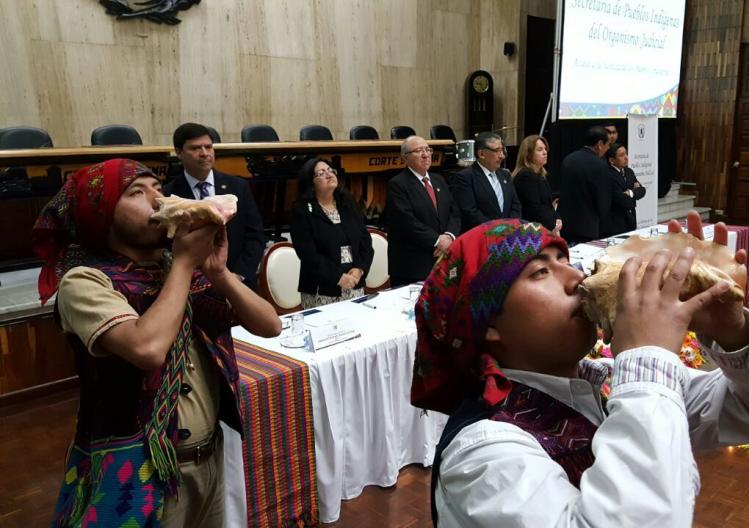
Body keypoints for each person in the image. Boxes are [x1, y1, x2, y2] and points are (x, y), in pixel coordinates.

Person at [412, 213, 749, 527]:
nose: (577, 277)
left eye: (565, 260)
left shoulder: (603, 381)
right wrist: (648, 355)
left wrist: (731, 330)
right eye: (540, 272)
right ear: (488, 324)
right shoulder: (481, 453)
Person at [33, 159, 281, 527]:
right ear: (101, 214)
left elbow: (270, 324)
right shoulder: (84, 282)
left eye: (158, 188)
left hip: (209, 456)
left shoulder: (177, 269)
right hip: (141, 466)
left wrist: (218, 272)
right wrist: (183, 264)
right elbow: (147, 349)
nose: (158, 199)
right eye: (137, 192)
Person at [163, 123, 265, 288]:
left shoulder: (238, 187)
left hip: (238, 282)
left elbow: (255, 236)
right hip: (191, 287)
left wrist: (238, 276)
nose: (204, 153)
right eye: (195, 148)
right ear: (179, 153)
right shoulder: (169, 195)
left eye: (208, 147)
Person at [290, 158, 374, 307]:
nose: (329, 175)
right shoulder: (302, 210)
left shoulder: (347, 202)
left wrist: (360, 269)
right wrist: (337, 277)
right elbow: (308, 254)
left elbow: (365, 240)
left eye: (330, 170)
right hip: (322, 288)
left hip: (353, 282)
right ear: (311, 182)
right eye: (321, 173)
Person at [385, 135, 461, 287]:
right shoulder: (397, 184)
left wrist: (449, 236)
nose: (426, 155)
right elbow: (407, 222)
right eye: (419, 151)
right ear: (405, 158)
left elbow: (454, 212)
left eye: (427, 149)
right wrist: (439, 241)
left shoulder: (439, 179)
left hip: (443, 260)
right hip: (413, 266)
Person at [451, 132, 522, 233]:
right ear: (482, 154)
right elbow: (470, 212)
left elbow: (515, 205)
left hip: (509, 235)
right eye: (497, 151)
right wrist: (498, 230)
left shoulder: (505, 174)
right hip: (482, 236)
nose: (502, 156)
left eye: (502, 150)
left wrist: (511, 226)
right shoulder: (465, 177)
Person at [557, 126, 611, 243]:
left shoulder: (568, 159)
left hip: (565, 224)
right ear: (600, 144)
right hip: (588, 227)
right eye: (608, 144)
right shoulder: (600, 165)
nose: (608, 148)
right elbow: (602, 199)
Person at [512, 134, 561, 235]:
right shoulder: (526, 176)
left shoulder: (540, 175)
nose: (545, 152)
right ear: (528, 154)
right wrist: (553, 225)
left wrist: (558, 219)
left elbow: (549, 206)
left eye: (545, 149)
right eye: (539, 150)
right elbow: (534, 209)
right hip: (532, 232)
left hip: (546, 228)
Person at [600, 142, 646, 236]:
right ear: (612, 160)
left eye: (626, 153)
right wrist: (634, 192)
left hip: (630, 218)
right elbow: (620, 199)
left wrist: (630, 193)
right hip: (615, 222)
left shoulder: (629, 172)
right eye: (621, 155)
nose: (626, 157)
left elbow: (642, 190)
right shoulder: (608, 175)